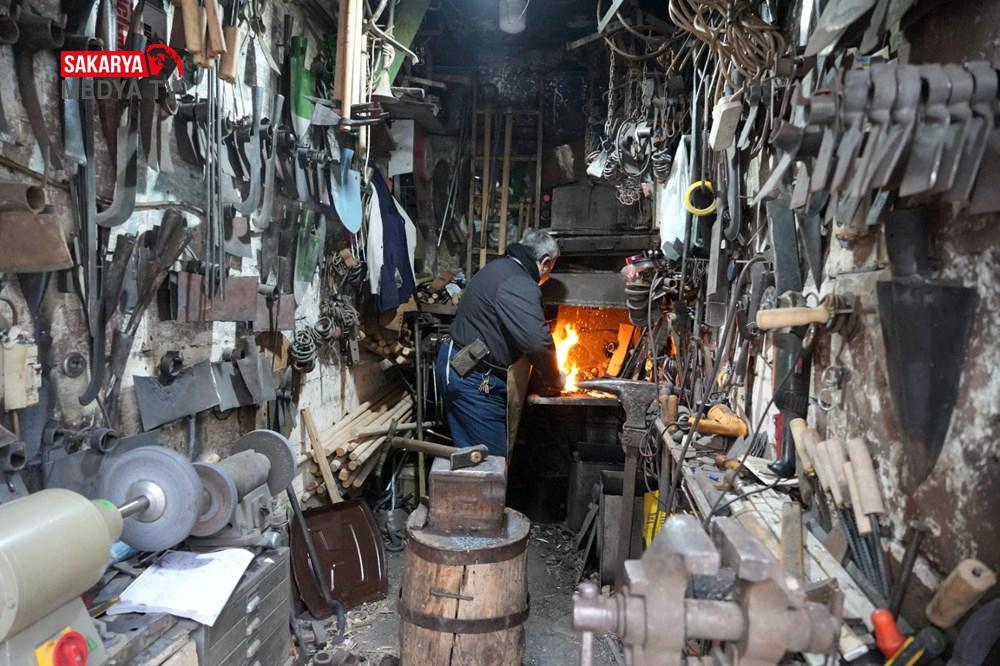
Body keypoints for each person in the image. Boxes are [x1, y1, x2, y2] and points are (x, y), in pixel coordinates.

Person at [436, 230, 563, 457]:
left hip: (468, 369)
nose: (548, 276)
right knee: (488, 462)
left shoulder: (500, 267)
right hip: (472, 377)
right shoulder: (519, 282)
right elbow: (537, 342)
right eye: (550, 269)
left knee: (476, 458)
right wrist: (555, 377)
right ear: (544, 262)